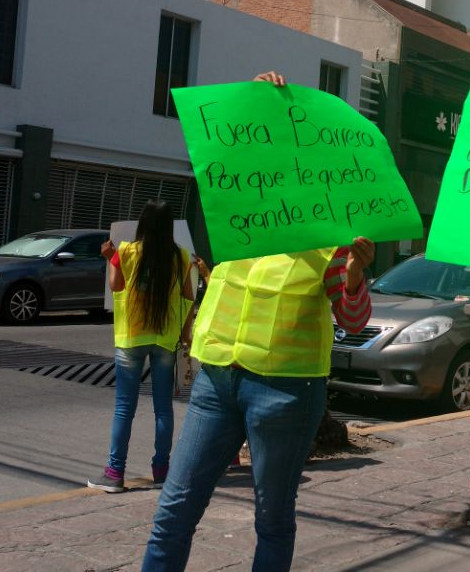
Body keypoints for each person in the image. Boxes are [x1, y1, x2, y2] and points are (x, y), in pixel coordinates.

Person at [141, 70, 376, 572]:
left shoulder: (330, 232)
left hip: (286, 393)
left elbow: (352, 320)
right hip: (216, 380)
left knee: (272, 520)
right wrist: (255, 101)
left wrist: (354, 277)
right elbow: (224, 148)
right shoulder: (240, 206)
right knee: (174, 510)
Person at [88, 199, 196, 493]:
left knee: (124, 408)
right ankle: (162, 471)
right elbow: (188, 297)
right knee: (164, 408)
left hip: (131, 338)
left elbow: (117, 287)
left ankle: (114, 474)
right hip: (164, 339)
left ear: (142, 223)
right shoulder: (181, 257)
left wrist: (110, 258)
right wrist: (185, 332)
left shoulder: (125, 252)